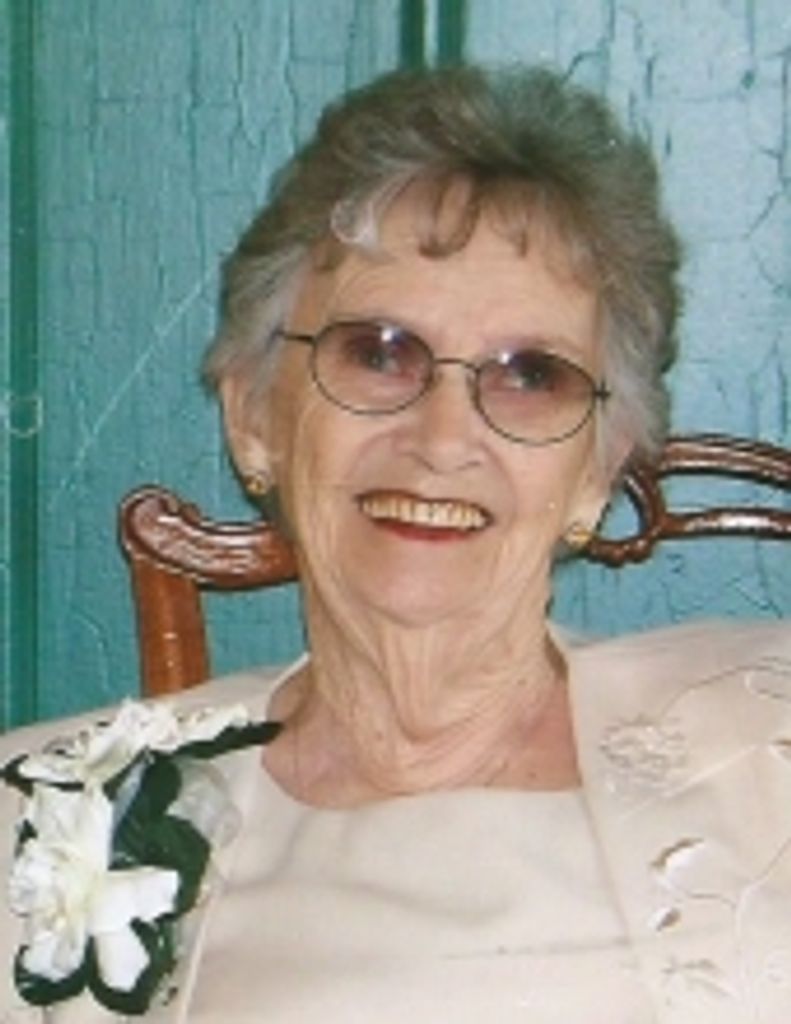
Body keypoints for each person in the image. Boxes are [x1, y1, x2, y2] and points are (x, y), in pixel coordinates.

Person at [1, 64, 790, 1023]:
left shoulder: (764, 741)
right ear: (253, 417)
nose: (443, 439)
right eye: (378, 352)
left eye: (529, 376)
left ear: (597, 468)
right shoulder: (43, 830)